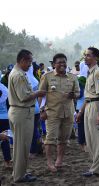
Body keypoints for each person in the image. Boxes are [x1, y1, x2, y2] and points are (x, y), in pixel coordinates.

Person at [8, 49, 46, 182]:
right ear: (23, 60)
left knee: (22, 145)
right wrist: (38, 93)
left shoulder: (19, 73)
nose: (31, 64)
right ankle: (19, 176)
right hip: (22, 113)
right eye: (29, 61)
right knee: (21, 146)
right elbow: (23, 97)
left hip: (21, 112)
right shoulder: (18, 75)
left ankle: (20, 172)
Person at [39, 53, 80, 172]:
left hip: (68, 113)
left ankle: (59, 160)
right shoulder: (46, 76)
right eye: (59, 62)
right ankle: (50, 162)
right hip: (52, 113)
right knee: (50, 139)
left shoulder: (72, 77)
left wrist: (74, 95)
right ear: (54, 64)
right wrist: (42, 110)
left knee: (64, 139)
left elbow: (78, 93)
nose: (62, 64)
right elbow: (41, 95)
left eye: (64, 62)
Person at [76, 47, 99, 177]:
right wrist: (81, 111)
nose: (86, 57)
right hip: (89, 105)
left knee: (97, 139)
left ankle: (97, 169)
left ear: (96, 58)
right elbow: (88, 96)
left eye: (89, 55)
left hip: (96, 106)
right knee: (90, 139)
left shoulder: (98, 73)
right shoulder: (90, 73)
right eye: (85, 55)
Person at [0, 79, 12, 168]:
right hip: (5, 117)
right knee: (5, 140)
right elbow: (9, 104)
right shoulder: (4, 88)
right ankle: (7, 161)